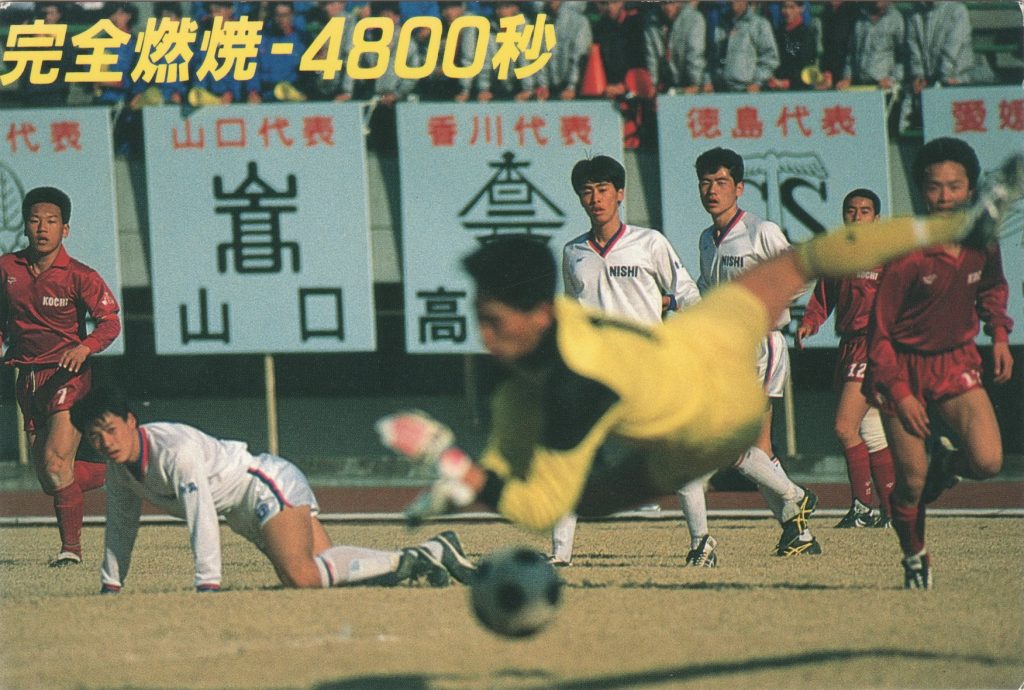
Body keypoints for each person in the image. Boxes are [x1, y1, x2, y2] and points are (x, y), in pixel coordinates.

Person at [374, 151, 1018, 544]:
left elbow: (538, 504)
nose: (483, 335)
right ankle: (958, 223)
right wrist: (464, 473)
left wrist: (457, 466)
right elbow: (506, 450)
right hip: (701, 338)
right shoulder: (544, 333)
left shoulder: (575, 390)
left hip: (711, 418)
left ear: (539, 313)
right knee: (805, 259)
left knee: (586, 501)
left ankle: (960, 223)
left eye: (492, 320)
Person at [70, 386, 477, 593]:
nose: (105, 441)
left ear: (131, 420)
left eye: (110, 429)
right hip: (241, 510)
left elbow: (201, 517)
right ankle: (433, 552)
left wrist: (207, 584)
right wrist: (111, 585)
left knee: (300, 576)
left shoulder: (175, 451)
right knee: (327, 574)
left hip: (264, 484)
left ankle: (421, 555)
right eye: (94, 436)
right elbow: (120, 525)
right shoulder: (119, 469)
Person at [864, 138, 1014, 589]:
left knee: (988, 461)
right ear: (921, 191)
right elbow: (879, 335)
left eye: (955, 186)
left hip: (955, 362)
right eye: (934, 187)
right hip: (900, 369)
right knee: (911, 483)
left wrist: (999, 335)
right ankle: (915, 556)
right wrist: (901, 394)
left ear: (971, 189)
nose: (945, 196)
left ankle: (947, 466)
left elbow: (993, 288)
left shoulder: (982, 242)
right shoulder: (907, 254)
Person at [551, 155, 701, 566]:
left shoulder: (650, 242)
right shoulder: (573, 251)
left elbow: (687, 294)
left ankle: (702, 542)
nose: (595, 199)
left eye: (603, 190)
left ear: (620, 193)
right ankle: (560, 553)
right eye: (587, 191)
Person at [677, 147, 820, 558]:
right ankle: (799, 531)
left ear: (739, 187)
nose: (712, 190)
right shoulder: (707, 240)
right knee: (759, 450)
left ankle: (796, 498)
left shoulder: (761, 230)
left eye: (721, 182)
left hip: (762, 345)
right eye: (705, 183)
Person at [0, 187, 122, 567]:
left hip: (68, 376)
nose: (43, 228)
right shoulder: (7, 268)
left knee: (56, 465)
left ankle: (71, 551)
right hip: (27, 379)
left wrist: (85, 347)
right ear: (25, 226)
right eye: (35, 220)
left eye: (51, 221)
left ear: (64, 230)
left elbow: (110, 322)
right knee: (51, 478)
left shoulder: (80, 275)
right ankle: (119, 471)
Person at [796, 189, 895, 528]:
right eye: (851, 210)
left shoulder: (889, 256)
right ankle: (891, 510)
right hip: (849, 346)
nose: (857, 216)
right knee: (870, 429)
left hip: (873, 346)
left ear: (876, 218)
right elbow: (824, 296)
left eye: (865, 211)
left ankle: (863, 507)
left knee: (844, 426)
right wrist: (810, 323)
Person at [707, 0, 779, 93]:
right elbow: (712, 57)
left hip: (746, 91)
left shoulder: (760, 24)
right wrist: (708, 81)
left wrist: (757, 82)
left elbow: (770, 59)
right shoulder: (720, 24)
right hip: (721, 89)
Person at [642, 0, 706, 95]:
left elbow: (695, 55)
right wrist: (652, 85)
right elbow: (651, 58)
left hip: (689, 81)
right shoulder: (651, 22)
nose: (668, 7)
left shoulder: (694, 19)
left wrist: (696, 84)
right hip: (667, 83)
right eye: (664, 3)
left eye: (672, 3)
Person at [533, 0, 591, 102]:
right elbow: (540, 55)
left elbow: (579, 57)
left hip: (574, 90)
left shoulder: (579, 21)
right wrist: (543, 85)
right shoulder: (542, 20)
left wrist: (572, 87)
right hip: (551, 89)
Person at [767, 0, 816, 91]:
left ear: (801, 9)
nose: (787, 11)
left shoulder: (806, 34)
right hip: (778, 83)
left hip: (798, 87)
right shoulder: (779, 33)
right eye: (784, 7)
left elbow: (806, 65)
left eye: (792, 7)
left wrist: (787, 83)